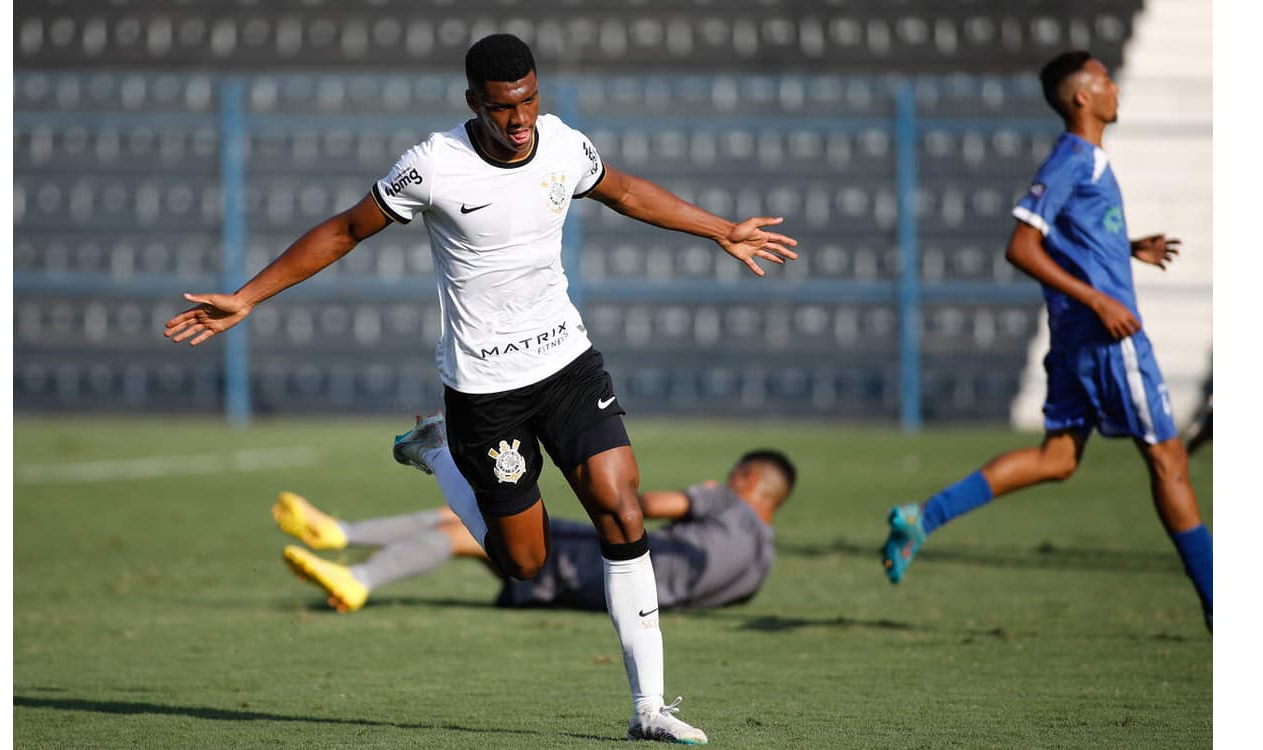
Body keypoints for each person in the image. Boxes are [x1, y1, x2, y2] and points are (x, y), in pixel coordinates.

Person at [164, 33, 798, 743]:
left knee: (620, 510)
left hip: (567, 365)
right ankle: (438, 451)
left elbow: (623, 190)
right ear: (475, 104)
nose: (520, 118)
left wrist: (720, 231)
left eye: (528, 100)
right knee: (524, 563)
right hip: (486, 391)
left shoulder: (562, 146)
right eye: (503, 107)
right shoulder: (432, 166)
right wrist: (249, 297)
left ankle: (649, 707)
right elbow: (345, 229)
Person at [879, 50, 1213, 632]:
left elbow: (1063, 236)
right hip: (1109, 337)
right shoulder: (1075, 159)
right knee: (1169, 460)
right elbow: (1021, 246)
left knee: (1056, 459)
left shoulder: (1086, 163)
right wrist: (1101, 299)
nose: (1115, 87)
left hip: (1077, 337)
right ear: (1082, 96)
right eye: (1105, 79)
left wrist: (1127, 249)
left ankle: (923, 517)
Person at [273, 422, 796, 618]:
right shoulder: (763, 564)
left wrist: (692, 495)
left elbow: (637, 506)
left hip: (606, 570)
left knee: (466, 532)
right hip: (627, 603)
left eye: (732, 476)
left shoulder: (729, 503)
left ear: (750, 479)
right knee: (471, 515)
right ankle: (341, 533)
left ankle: (357, 577)